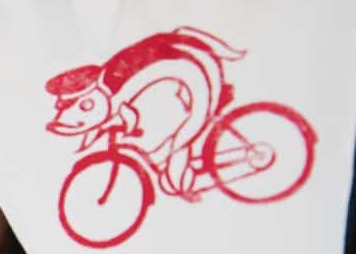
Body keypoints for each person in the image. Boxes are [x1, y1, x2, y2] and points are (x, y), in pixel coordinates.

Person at [45, 26, 245, 199]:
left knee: (178, 149)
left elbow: (129, 120)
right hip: (186, 63)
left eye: (84, 106)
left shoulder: (114, 94)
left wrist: (126, 128)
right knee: (168, 159)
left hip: (199, 74)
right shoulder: (108, 90)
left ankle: (188, 184)